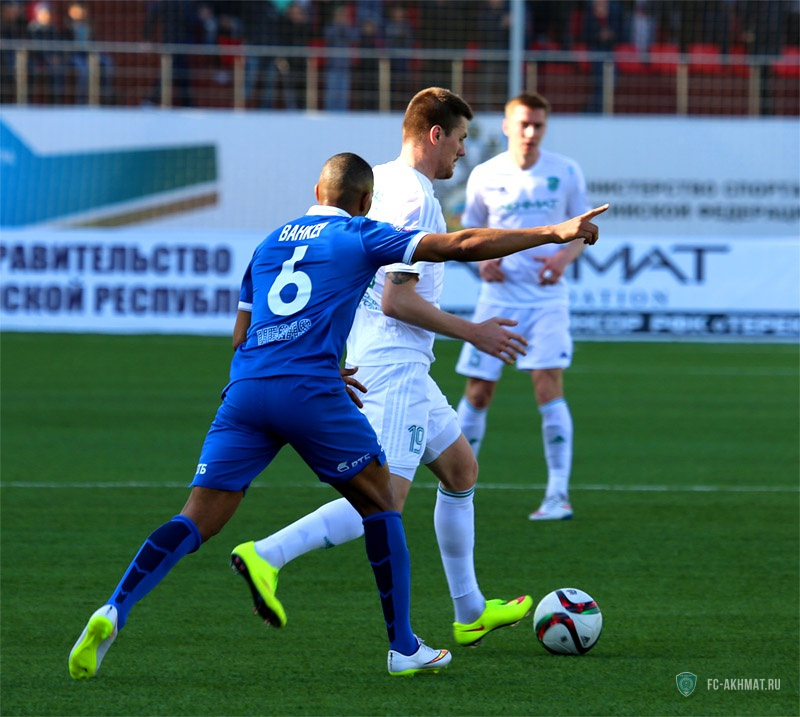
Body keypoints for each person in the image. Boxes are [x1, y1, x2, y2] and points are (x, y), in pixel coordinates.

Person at [67, 150, 606, 681]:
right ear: (366, 201)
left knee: (194, 519)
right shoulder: (360, 235)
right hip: (311, 392)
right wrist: (552, 233)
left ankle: (114, 607)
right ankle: (403, 647)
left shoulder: (268, 243)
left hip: (247, 390)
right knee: (383, 504)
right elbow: (461, 244)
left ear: (316, 192)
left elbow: (241, 335)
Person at [235, 88, 602, 652]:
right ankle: (268, 554)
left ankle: (470, 611)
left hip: (387, 356)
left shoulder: (378, 182)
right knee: (384, 499)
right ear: (435, 135)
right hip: (394, 362)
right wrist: (474, 330)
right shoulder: (414, 197)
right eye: (459, 139)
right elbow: (397, 300)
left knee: (460, 470)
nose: (463, 152)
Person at [454, 92, 589, 522]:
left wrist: (563, 258)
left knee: (547, 387)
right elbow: (468, 232)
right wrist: (482, 262)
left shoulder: (565, 171)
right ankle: (457, 484)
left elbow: (584, 230)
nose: (530, 132)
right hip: (498, 298)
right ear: (507, 126)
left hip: (548, 298)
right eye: (523, 124)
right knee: (479, 391)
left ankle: (557, 495)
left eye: (538, 125)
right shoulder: (485, 174)